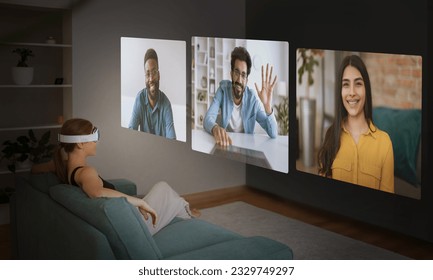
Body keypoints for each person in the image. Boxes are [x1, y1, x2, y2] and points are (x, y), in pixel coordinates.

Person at [32, 118, 198, 235]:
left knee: (167, 196)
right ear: (81, 143)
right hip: (135, 226)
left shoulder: (61, 164)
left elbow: (34, 169)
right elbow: (96, 192)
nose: (97, 142)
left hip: (124, 217)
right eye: (94, 137)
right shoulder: (86, 172)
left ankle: (183, 211)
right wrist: (139, 202)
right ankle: (186, 212)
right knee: (163, 187)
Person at [317, 54, 394, 193]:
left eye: (358, 84)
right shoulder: (330, 136)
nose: (352, 92)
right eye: (346, 85)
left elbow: (387, 206)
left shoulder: (385, 143)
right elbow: (323, 196)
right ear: (340, 91)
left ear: (366, 89)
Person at [203, 46, 278, 146]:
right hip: (226, 144)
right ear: (231, 74)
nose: (239, 80)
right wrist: (215, 128)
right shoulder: (222, 90)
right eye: (236, 72)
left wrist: (267, 107)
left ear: (247, 80)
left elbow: (273, 133)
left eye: (243, 75)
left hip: (246, 149)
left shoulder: (253, 100)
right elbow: (208, 118)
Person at [128, 48, 176, 140]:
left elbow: (172, 139)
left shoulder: (166, 104)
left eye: (154, 72)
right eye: (147, 74)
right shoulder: (139, 99)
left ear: (159, 75)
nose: (151, 79)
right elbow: (130, 132)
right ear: (145, 77)